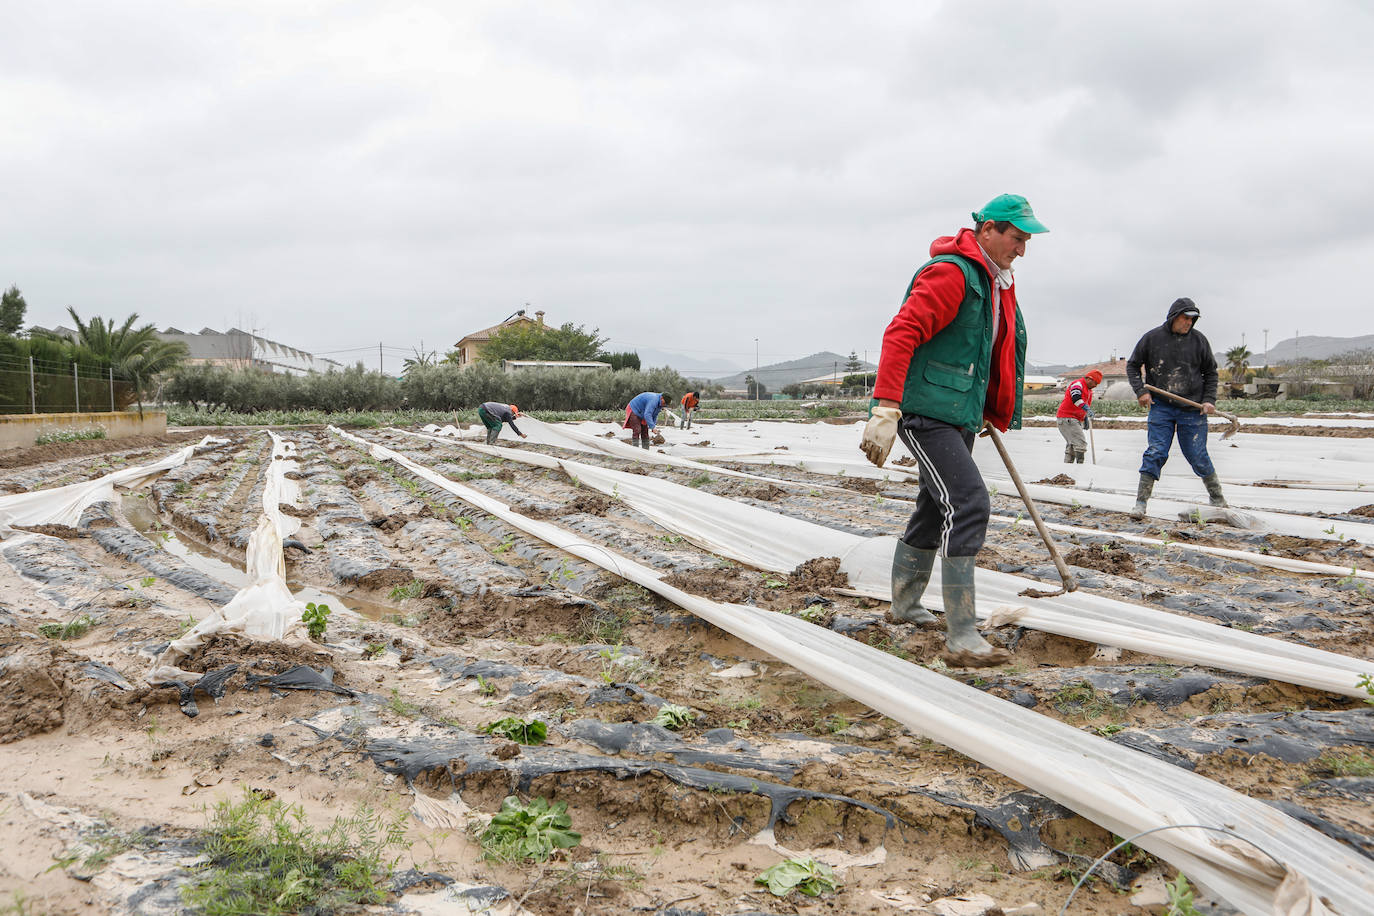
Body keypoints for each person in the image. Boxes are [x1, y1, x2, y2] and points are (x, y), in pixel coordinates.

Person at [859, 193, 1047, 667]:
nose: (1022, 248)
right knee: (968, 502)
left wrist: (983, 405)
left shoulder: (993, 282)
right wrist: (885, 409)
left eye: (1026, 240)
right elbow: (902, 334)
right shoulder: (952, 273)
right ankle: (962, 633)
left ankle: (904, 605)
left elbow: (984, 352)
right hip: (925, 412)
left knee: (934, 503)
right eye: (1017, 237)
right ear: (988, 230)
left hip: (955, 412)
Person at [1125, 297, 1226, 519]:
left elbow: (1211, 373)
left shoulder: (1199, 341)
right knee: (1156, 452)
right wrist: (1141, 391)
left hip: (1193, 408)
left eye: (1193, 319)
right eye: (1185, 318)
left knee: (1198, 455)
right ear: (1173, 317)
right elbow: (1132, 365)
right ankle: (1141, 503)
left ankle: (1218, 500)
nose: (1188, 323)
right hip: (1161, 406)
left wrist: (1209, 400)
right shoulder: (1152, 339)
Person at [1055, 370, 1102, 463]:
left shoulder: (1089, 390)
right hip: (1067, 418)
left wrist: (1084, 417)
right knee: (1080, 444)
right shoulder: (1078, 384)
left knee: (1072, 445)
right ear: (1089, 379)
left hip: (1073, 419)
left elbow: (1081, 405)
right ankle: (1080, 466)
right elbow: (1076, 398)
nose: (1095, 385)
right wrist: (1087, 409)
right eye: (1095, 383)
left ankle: (1067, 470)